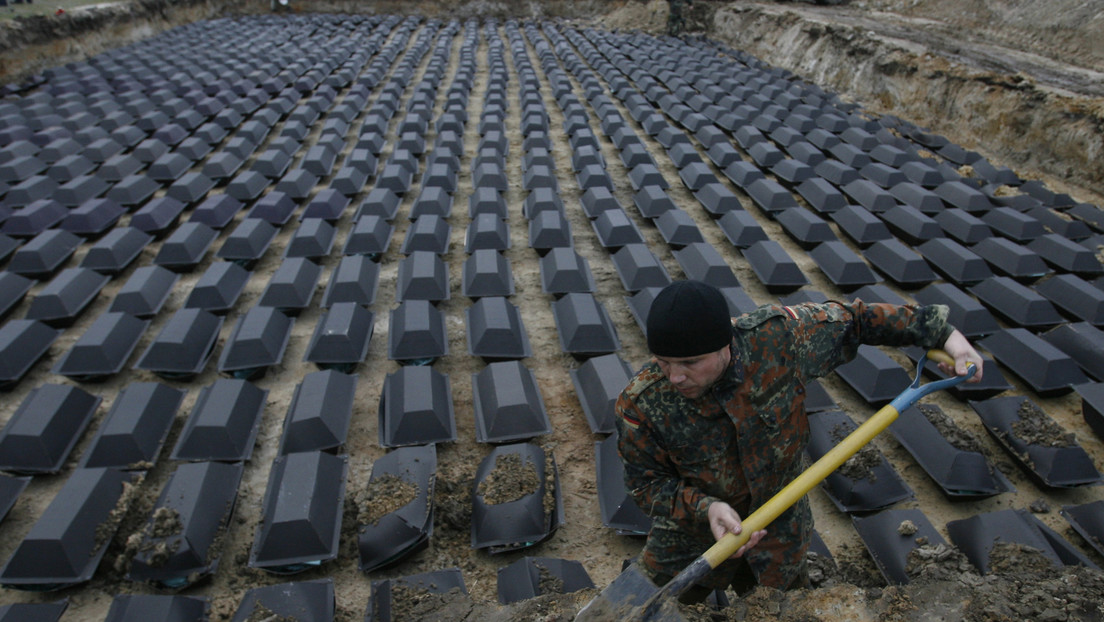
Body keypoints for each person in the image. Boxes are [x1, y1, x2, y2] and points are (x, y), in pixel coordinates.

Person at [615, 280, 983, 603]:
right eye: (663, 362)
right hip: (690, 536)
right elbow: (646, 485)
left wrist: (944, 335)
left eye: (690, 363)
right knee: (640, 607)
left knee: (787, 608)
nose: (675, 376)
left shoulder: (778, 340)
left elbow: (857, 319)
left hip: (780, 527)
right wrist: (705, 509)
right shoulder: (642, 402)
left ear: (724, 346)